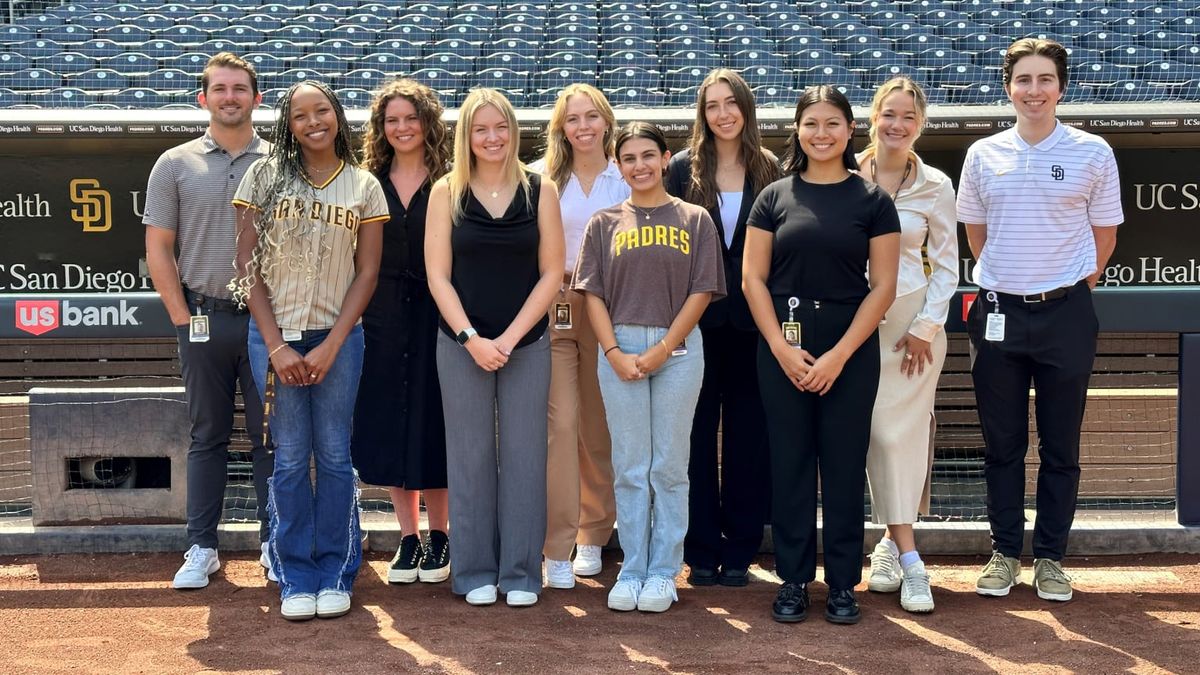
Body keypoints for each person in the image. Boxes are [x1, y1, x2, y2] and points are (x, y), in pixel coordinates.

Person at [958, 38, 1122, 603]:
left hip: (1067, 315)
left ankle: (1051, 557)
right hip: (998, 311)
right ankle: (1005, 552)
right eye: (1023, 79)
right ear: (1008, 87)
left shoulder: (1093, 151)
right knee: (1001, 446)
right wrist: (1013, 279)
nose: (1034, 90)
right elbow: (978, 236)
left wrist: (1062, 287)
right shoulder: (982, 154)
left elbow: (1105, 238)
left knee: (1061, 447)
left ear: (1062, 86)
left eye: (1044, 79)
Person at [743, 85, 900, 625]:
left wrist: (837, 356)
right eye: (811, 123)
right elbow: (752, 279)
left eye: (832, 123)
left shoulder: (873, 201)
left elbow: (882, 288)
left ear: (849, 129)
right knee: (788, 464)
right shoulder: (774, 196)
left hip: (849, 343)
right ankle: (792, 581)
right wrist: (782, 349)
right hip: (782, 340)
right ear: (798, 130)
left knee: (842, 465)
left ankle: (841, 584)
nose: (821, 133)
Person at [231, 81, 387, 621]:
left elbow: (367, 273)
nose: (313, 121)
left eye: (322, 111)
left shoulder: (364, 185)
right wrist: (275, 345)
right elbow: (246, 270)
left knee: (337, 456)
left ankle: (336, 570)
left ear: (338, 116)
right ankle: (295, 572)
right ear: (288, 124)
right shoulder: (264, 176)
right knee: (292, 457)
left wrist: (333, 345)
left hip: (338, 338)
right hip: (274, 338)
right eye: (300, 115)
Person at [574, 121, 725, 614]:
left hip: (677, 348)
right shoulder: (603, 222)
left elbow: (702, 291)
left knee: (669, 466)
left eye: (648, 156)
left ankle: (664, 570)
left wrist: (663, 348)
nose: (639, 165)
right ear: (618, 165)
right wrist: (614, 352)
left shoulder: (695, 219)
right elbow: (591, 294)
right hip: (618, 345)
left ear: (665, 158)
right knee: (630, 465)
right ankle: (633, 567)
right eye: (629, 158)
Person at [425, 88, 565, 608]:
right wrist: (471, 339)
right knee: (469, 457)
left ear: (513, 130)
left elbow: (553, 271)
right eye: (481, 129)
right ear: (467, 136)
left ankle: (523, 573)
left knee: (527, 456)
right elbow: (438, 276)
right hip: (461, 344)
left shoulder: (540, 188)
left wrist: (506, 339)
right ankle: (475, 570)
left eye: (500, 127)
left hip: (526, 342)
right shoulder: (446, 191)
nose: (492, 138)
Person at [143, 52, 274, 591]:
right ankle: (201, 546)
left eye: (239, 88)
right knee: (207, 435)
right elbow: (157, 247)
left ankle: (275, 541)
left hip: (268, 324)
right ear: (203, 98)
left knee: (273, 438)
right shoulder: (173, 163)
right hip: (204, 318)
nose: (229, 97)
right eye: (219, 88)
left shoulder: (279, 164)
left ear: (256, 99)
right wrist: (182, 317)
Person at [666, 68, 780, 588]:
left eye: (732, 103)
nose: (723, 113)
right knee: (692, 439)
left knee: (747, 439)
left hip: (754, 328)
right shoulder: (681, 170)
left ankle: (740, 551)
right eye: (713, 105)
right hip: (695, 326)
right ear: (702, 113)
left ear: (746, 108)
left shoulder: (771, 168)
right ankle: (701, 551)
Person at [857, 77, 959, 614]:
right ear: (873, 117)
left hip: (911, 335)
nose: (897, 125)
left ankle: (906, 556)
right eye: (888, 114)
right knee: (870, 436)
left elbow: (947, 267)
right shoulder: (843, 173)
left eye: (908, 117)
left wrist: (925, 327)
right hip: (850, 331)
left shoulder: (937, 185)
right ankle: (890, 543)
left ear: (921, 125)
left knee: (901, 439)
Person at [350, 79, 453, 586]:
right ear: (381, 127)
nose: (402, 127)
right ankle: (408, 537)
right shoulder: (368, 180)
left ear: (427, 121)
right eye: (392, 120)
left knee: (434, 422)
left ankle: (441, 534)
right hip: (383, 317)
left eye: (410, 118)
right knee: (392, 421)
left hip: (440, 315)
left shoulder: (453, 179)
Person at [529, 84, 629, 588]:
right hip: (556, 308)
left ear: (606, 121)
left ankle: (594, 533)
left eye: (592, 117)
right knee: (561, 426)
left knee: (598, 429)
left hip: (609, 311)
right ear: (561, 128)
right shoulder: (544, 179)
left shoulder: (625, 177)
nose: (584, 126)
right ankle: (557, 546)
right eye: (573, 119)